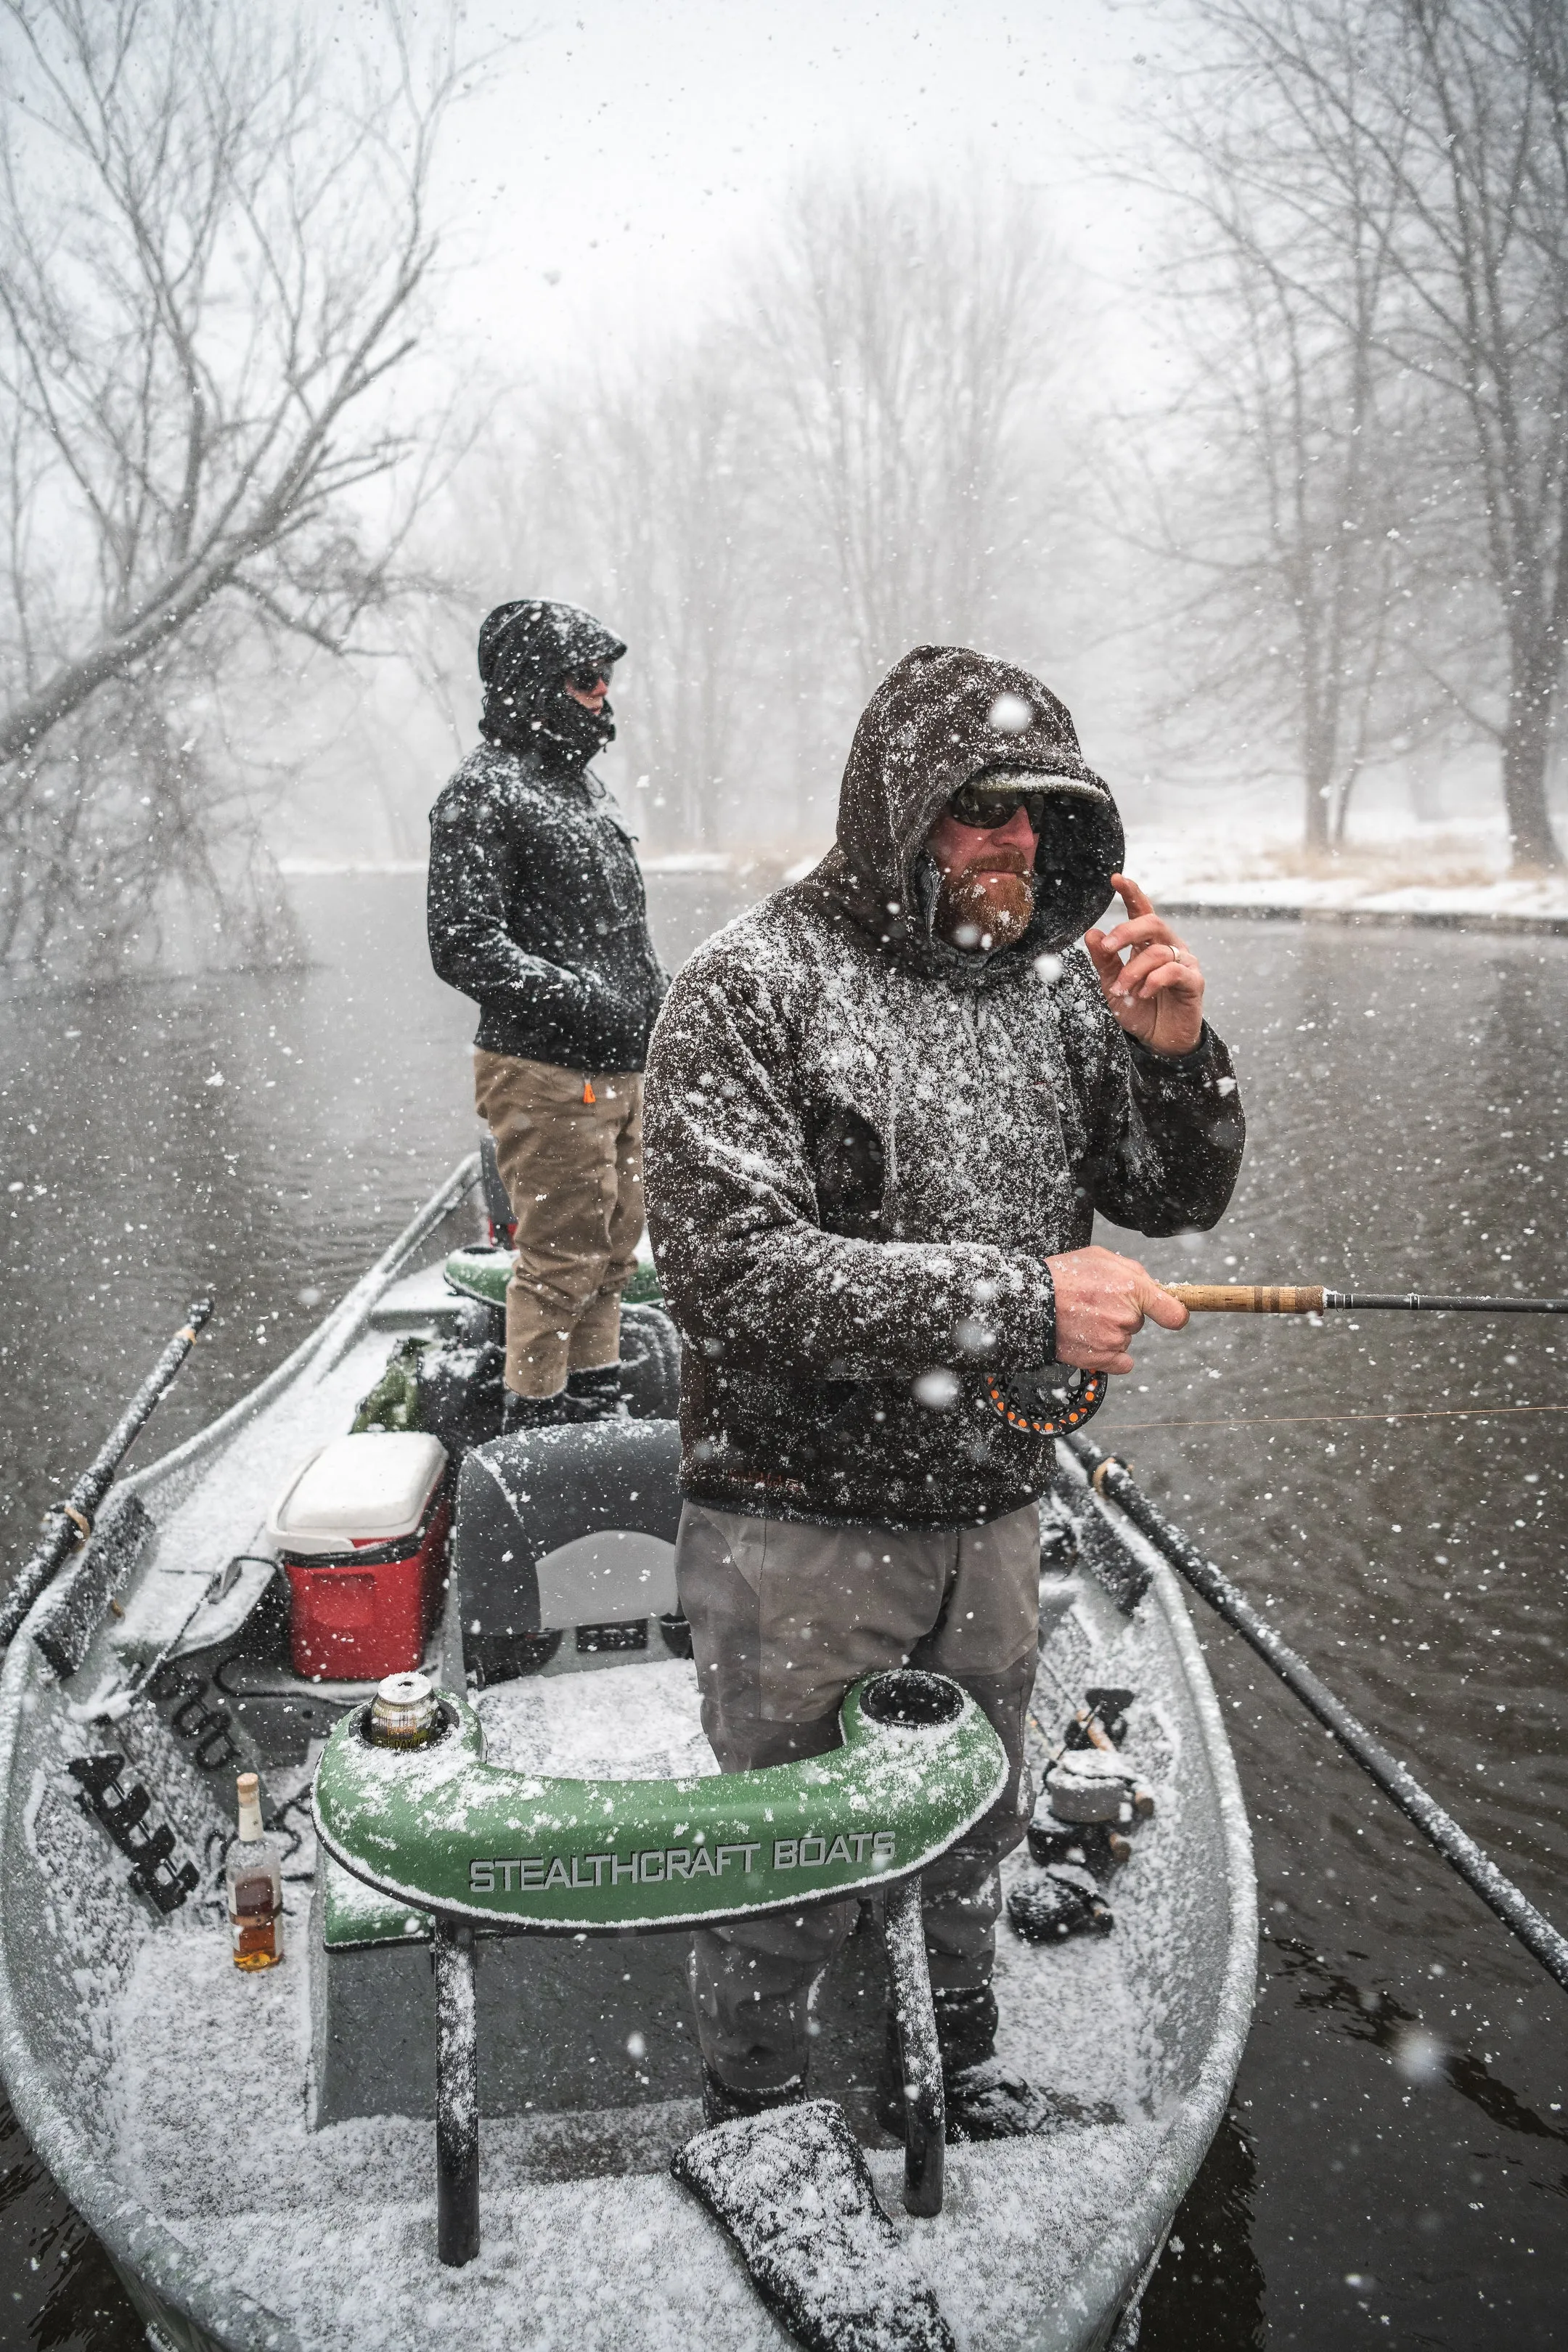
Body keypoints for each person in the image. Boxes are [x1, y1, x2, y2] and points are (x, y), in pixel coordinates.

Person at [642, 642, 1245, 2135]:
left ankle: (949, 2073)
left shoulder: (1054, 994)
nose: (1016, 844)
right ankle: (757, 2110)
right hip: (794, 1526)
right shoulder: (750, 990)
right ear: (898, 817)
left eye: (1039, 814)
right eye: (980, 810)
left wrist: (1176, 1059)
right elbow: (736, 1278)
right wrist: (1026, 1297)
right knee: (787, 1864)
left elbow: (1176, 1196)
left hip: (994, 1512)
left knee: (967, 1833)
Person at [428, 600, 669, 1429]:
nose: (603, 698)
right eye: (586, 680)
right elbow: (462, 943)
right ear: (538, 686)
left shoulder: (576, 790)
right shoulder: (481, 793)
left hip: (622, 1067)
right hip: (545, 1071)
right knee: (560, 1264)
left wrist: (660, 1006)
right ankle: (535, 1433)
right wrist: (588, 1004)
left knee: (608, 1260)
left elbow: (615, 938)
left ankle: (593, 1415)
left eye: (604, 680)